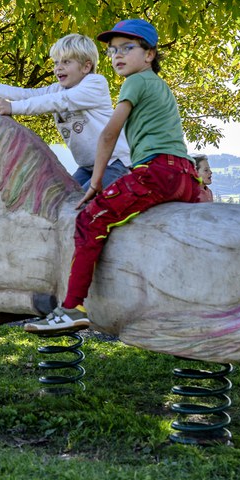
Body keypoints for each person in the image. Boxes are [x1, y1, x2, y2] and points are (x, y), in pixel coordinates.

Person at [25, 18, 207, 332]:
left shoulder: (135, 82)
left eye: (127, 48)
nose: (117, 56)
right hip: (186, 175)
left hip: (157, 172)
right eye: (111, 51)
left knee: (89, 220)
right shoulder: (158, 85)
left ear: (149, 54)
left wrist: (96, 182)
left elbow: (108, 135)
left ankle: (72, 308)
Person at [0, 33, 133, 189]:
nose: (58, 68)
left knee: (80, 210)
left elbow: (58, 102)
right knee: (63, 206)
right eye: (56, 63)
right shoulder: (57, 89)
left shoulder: (95, 84)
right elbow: (23, 94)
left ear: (86, 66)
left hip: (115, 164)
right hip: (87, 167)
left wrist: (13, 107)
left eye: (66, 62)